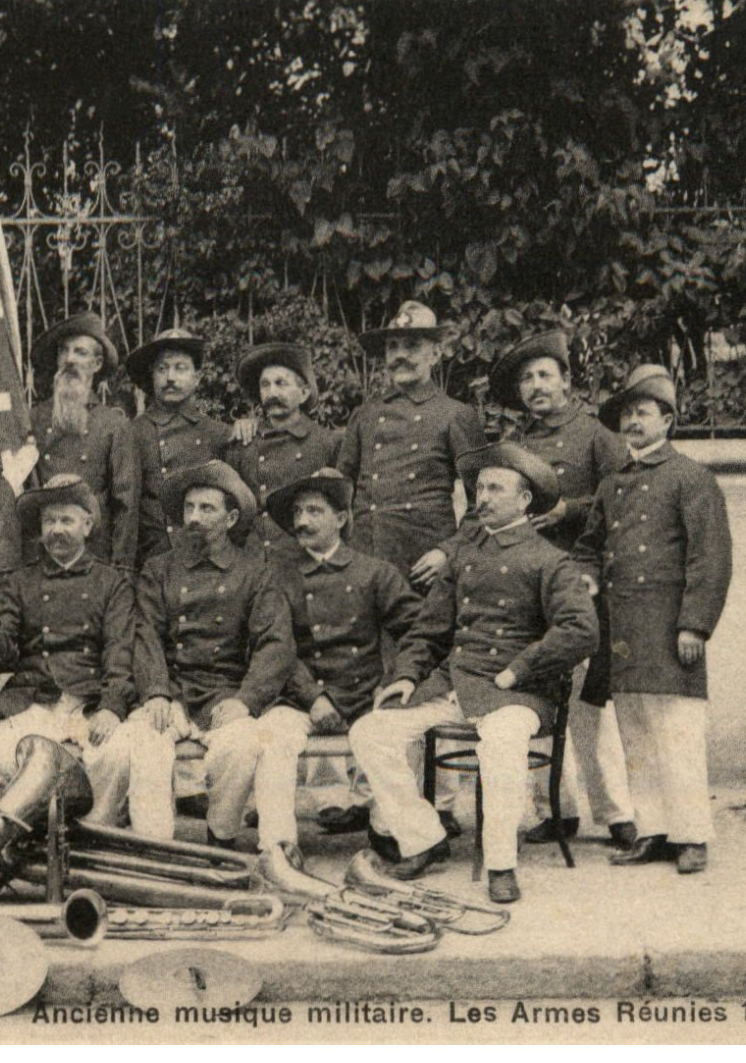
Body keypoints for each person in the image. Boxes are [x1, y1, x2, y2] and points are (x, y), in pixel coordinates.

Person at [350, 444, 598, 904]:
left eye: (495, 488)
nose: (481, 497)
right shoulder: (464, 554)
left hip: (519, 694)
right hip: (457, 684)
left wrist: (520, 669)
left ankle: (501, 865)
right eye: (479, 487)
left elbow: (580, 630)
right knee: (370, 731)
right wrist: (406, 676)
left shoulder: (550, 560)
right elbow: (429, 630)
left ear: (525, 501)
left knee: (502, 743)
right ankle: (424, 837)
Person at [575, 365, 733, 875]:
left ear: (668, 420)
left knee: (678, 731)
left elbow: (710, 559)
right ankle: (654, 829)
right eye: (626, 413)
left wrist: (695, 625)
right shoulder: (612, 483)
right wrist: (587, 579)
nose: (632, 421)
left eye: (642, 412)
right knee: (636, 732)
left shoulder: (691, 478)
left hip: (669, 627)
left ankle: (692, 836)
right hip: (621, 628)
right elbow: (588, 547)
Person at [486, 329, 636, 849]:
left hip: (585, 579)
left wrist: (567, 509)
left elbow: (625, 497)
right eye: (526, 379)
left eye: (544, 374)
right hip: (531, 585)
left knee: (593, 700)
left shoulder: (597, 436)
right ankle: (559, 809)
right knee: (539, 695)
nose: (535, 386)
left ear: (567, 380)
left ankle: (618, 812)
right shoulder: (518, 447)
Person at [0, 475, 156, 829]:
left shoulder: (111, 582)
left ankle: (96, 838)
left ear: (88, 525)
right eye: (49, 521)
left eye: (66, 521)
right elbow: (1, 657)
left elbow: (119, 652)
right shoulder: (20, 581)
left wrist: (112, 708)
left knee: (115, 754)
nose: (56, 530)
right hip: (34, 701)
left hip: (88, 703)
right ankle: (20, 842)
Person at [129, 462, 298, 856]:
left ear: (232, 517)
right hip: (172, 693)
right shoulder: (160, 569)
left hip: (226, 693)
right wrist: (155, 691)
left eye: (207, 509)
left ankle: (220, 836)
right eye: (189, 508)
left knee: (242, 746)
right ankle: (156, 852)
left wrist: (246, 700)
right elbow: (145, 633)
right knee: (144, 742)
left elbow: (276, 643)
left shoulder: (255, 572)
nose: (194, 518)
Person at [265, 468, 424, 835]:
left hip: (363, 695)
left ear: (340, 519)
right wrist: (313, 697)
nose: (303, 521)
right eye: (298, 513)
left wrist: (396, 680)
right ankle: (277, 844)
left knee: (395, 733)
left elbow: (417, 634)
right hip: (300, 698)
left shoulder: (374, 573)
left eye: (314, 512)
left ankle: (390, 831)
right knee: (272, 736)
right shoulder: (278, 578)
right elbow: (275, 648)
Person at [338, 301, 487, 588]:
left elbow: (486, 502)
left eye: (412, 346)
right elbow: (341, 491)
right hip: (364, 564)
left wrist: (449, 552)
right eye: (393, 347)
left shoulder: (455, 415)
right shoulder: (365, 415)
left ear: (435, 354)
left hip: (423, 568)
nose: (400, 355)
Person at [25, 312, 140, 567]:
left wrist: (120, 572)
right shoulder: (34, 419)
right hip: (44, 558)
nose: (69, 360)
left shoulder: (113, 425)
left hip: (95, 557)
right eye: (63, 351)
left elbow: (126, 507)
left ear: (97, 364)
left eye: (80, 352)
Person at [222, 343, 338, 564]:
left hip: (304, 564)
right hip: (251, 563)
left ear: (303, 393)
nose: (272, 393)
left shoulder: (326, 444)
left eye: (281, 384)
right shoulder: (243, 442)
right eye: (265, 385)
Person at [124, 327, 232, 566]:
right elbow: (124, 509)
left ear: (197, 378)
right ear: (152, 376)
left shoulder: (219, 434)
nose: (170, 377)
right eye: (162, 368)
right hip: (151, 562)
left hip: (206, 563)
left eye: (180, 368)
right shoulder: (131, 432)